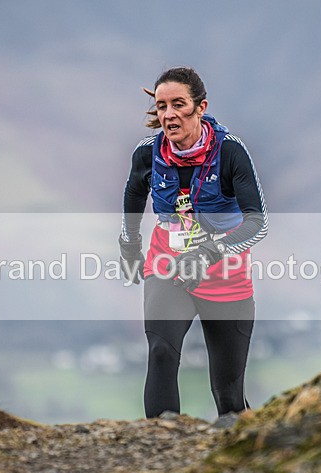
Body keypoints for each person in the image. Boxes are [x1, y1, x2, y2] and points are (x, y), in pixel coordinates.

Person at [119, 66, 268, 419]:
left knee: (229, 398)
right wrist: (129, 245)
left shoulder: (230, 152)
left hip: (225, 274)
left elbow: (257, 224)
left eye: (178, 104)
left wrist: (208, 252)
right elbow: (133, 196)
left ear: (200, 107)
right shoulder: (147, 154)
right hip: (167, 266)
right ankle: (161, 444)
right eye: (161, 106)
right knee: (160, 352)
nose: (168, 114)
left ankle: (239, 447)